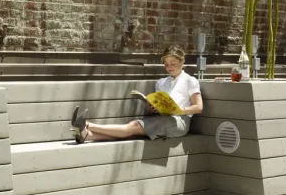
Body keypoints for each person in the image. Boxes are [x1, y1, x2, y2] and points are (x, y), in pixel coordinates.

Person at [71, 45, 203, 143]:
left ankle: (87, 124)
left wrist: (179, 110)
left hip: (179, 123)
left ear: (182, 62)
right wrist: (152, 108)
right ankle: (87, 135)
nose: (169, 67)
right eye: (166, 64)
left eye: (173, 63)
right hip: (162, 118)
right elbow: (156, 106)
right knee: (133, 131)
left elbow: (198, 107)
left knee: (134, 125)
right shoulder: (162, 82)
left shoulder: (189, 81)